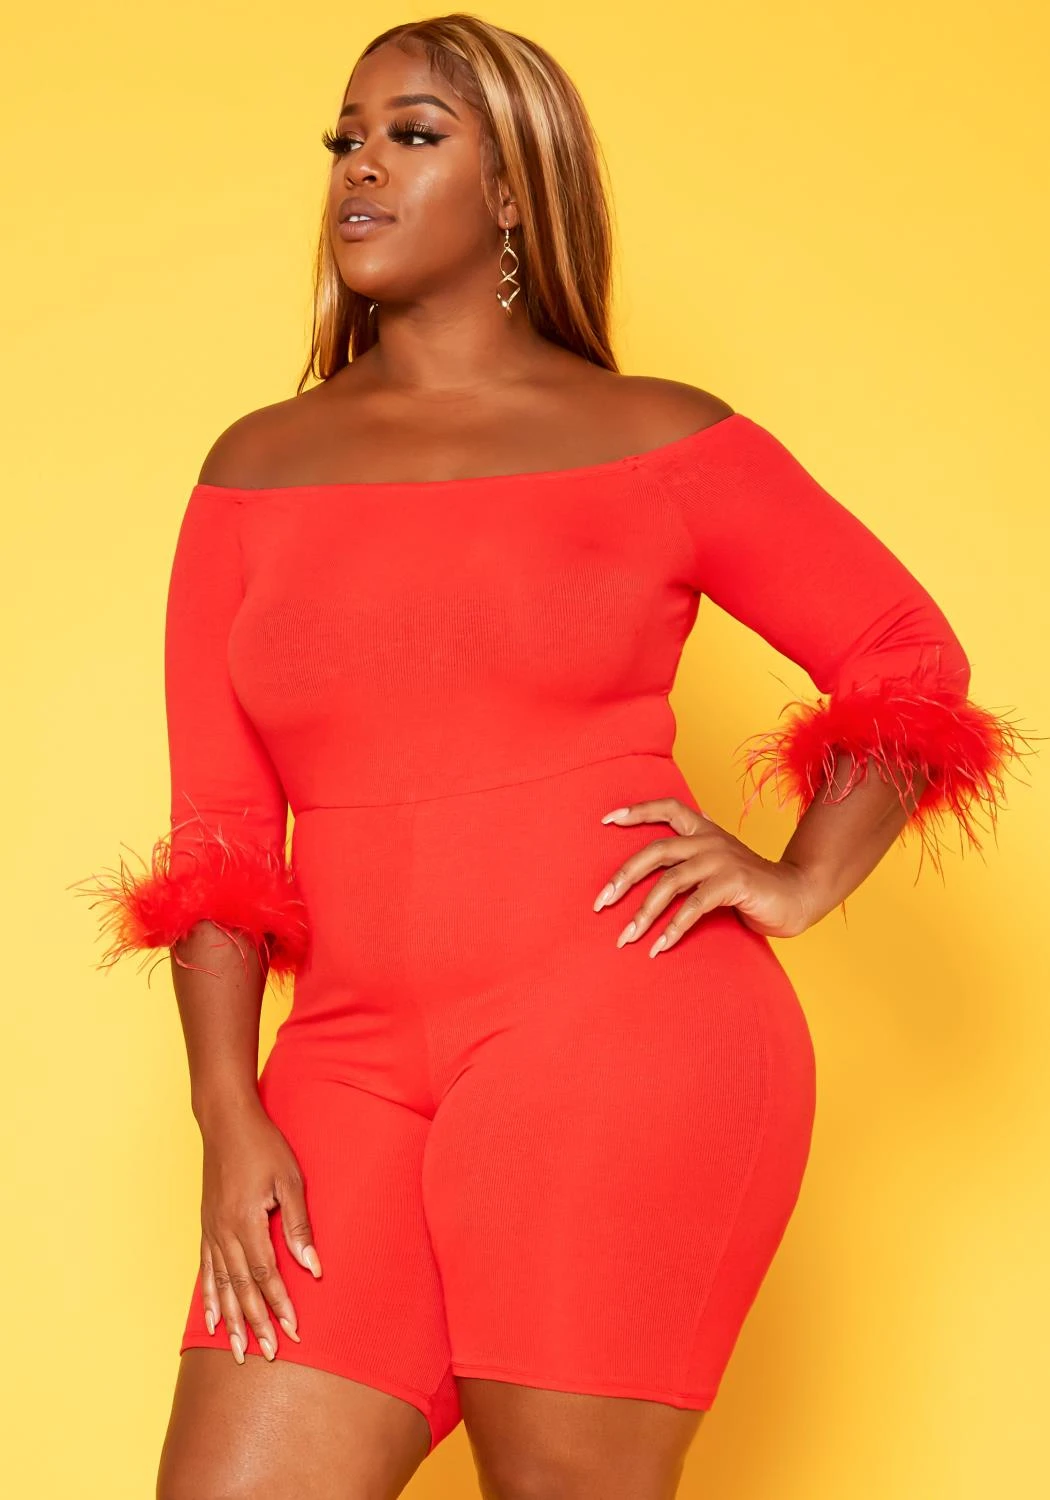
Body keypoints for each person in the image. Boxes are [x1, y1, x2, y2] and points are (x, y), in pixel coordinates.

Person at [72, 14, 1033, 1500]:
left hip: (620, 1034)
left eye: (413, 135)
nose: (360, 168)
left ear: (516, 189)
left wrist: (793, 880)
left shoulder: (653, 437)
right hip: (345, 1063)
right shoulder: (254, 466)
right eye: (345, 138)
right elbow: (219, 834)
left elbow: (904, 655)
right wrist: (226, 1107)